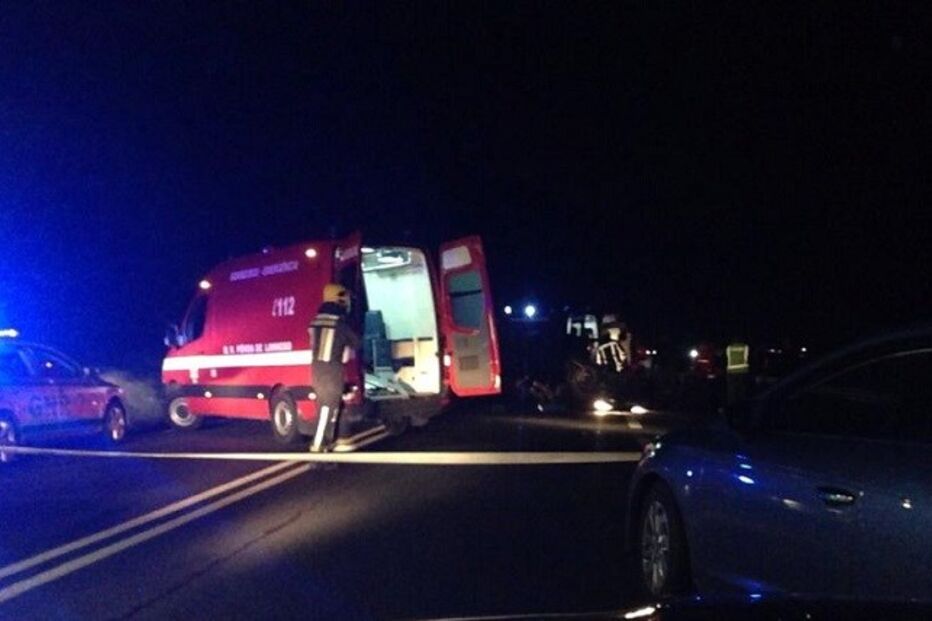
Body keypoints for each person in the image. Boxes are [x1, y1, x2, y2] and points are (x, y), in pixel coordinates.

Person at [309, 283, 360, 452]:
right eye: (343, 297)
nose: (345, 301)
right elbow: (356, 342)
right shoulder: (338, 323)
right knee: (327, 407)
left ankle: (343, 438)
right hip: (331, 370)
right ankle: (318, 447)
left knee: (336, 403)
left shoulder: (316, 321)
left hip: (318, 369)